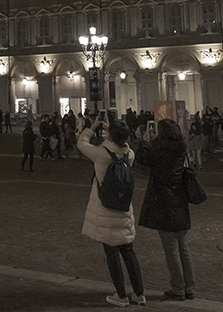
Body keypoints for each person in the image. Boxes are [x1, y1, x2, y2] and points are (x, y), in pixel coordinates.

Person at [78, 114, 144, 307]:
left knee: (112, 253)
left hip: (105, 210)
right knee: (129, 252)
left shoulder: (100, 154)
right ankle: (139, 294)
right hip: (124, 210)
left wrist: (93, 127)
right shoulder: (129, 155)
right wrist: (112, 131)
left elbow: (82, 143)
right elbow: (122, 144)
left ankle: (121, 295)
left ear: (109, 135)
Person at [138, 118, 196, 301]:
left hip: (164, 204)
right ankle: (190, 288)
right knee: (183, 248)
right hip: (180, 202)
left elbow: (143, 160)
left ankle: (178, 289)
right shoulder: (180, 148)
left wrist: (146, 141)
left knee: (171, 250)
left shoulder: (159, 149)